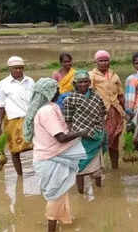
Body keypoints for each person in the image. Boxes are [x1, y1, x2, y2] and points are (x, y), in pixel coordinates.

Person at [23, 78, 87, 232]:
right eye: (56, 89)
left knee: (61, 191)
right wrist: (81, 133)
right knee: (56, 194)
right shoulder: (47, 111)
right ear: (49, 92)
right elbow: (61, 137)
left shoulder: (49, 107)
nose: (59, 91)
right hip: (50, 158)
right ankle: (51, 226)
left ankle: (65, 220)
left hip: (51, 156)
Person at [63, 70, 107, 193]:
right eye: (80, 82)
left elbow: (102, 114)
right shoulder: (70, 99)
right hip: (80, 137)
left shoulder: (96, 96)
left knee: (97, 166)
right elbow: (68, 120)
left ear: (89, 82)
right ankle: (80, 192)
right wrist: (72, 137)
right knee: (80, 167)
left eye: (86, 82)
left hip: (96, 135)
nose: (83, 84)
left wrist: (103, 131)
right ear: (75, 84)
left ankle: (99, 191)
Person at [0, 56, 34, 175]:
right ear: (10, 69)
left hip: (29, 119)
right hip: (12, 121)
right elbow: (0, 105)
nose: (18, 70)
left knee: (37, 147)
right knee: (14, 150)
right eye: (15, 68)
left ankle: (40, 173)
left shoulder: (30, 81)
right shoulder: (3, 84)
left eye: (20, 68)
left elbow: (35, 100)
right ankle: (20, 175)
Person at [89, 50, 124, 169]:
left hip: (115, 112)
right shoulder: (91, 76)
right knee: (102, 141)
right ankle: (97, 167)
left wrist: (125, 111)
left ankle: (115, 167)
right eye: (101, 61)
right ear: (96, 62)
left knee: (115, 141)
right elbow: (88, 95)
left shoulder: (114, 75)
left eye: (106, 60)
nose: (104, 63)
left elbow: (120, 95)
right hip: (100, 113)